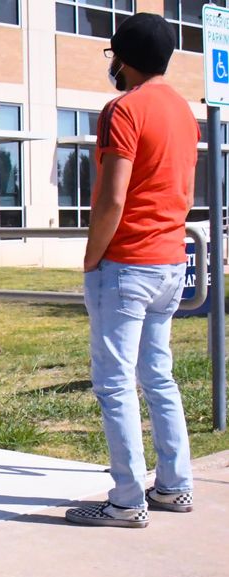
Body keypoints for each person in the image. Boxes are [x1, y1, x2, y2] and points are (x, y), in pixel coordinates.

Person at [65, 13, 197, 528]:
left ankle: (125, 500)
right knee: (158, 377)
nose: (112, 66)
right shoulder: (182, 111)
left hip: (127, 263)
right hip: (169, 261)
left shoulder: (123, 109)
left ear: (126, 59)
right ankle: (174, 486)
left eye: (113, 57)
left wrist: (92, 256)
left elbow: (111, 197)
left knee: (115, 383)